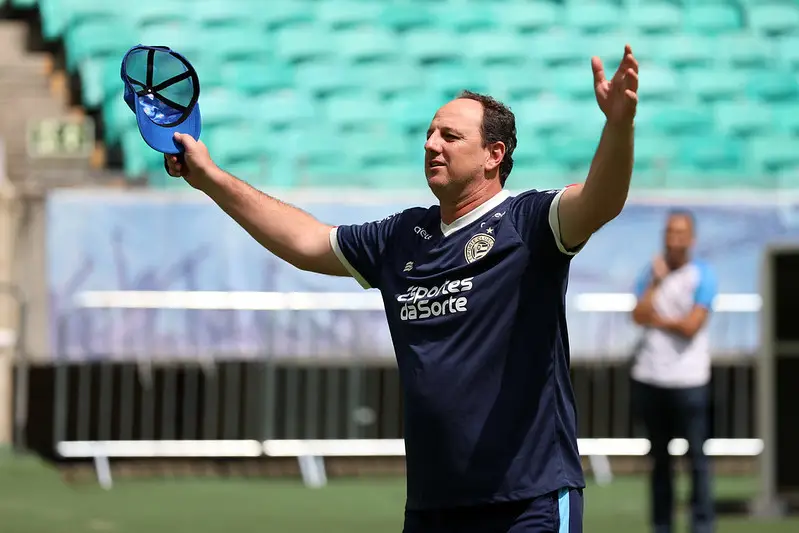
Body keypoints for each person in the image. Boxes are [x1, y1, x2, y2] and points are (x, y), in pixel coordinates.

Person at [165, 46, 639, 533]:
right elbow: (307, 240)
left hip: (529, 500)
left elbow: (600, 201)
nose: (432, 144)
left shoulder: (529, 223)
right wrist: (211, 178)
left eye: (451, 136)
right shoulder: (401, 236)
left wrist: (618, 126)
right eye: (430, 133)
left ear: (494, 155)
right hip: (435, 506)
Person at [630, 209, 718, 533]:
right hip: (651, 378)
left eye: (680, 232)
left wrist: (660, 320)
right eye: (669, 232)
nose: (674, 238)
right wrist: (656, 282)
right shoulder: (651, 273)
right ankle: (662, 525)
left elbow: (692, 325)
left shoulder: (703, 275)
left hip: (690, 381)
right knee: (660, 464)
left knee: (698, 462)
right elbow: (638, 315)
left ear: (691, 238)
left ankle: (702, 525)